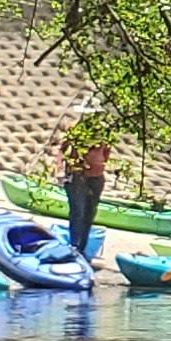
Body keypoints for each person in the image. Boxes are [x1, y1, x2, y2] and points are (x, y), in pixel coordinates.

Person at [56, 109, 114, 262]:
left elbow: (107, 152)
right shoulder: (76, 131)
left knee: (89, 213)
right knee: (78, 212)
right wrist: (60, 169)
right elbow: (62, 150)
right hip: (77, 176)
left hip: (96, 177)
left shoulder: (104, 133)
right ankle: (74, 247)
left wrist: (101, 165)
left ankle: (81, 249)